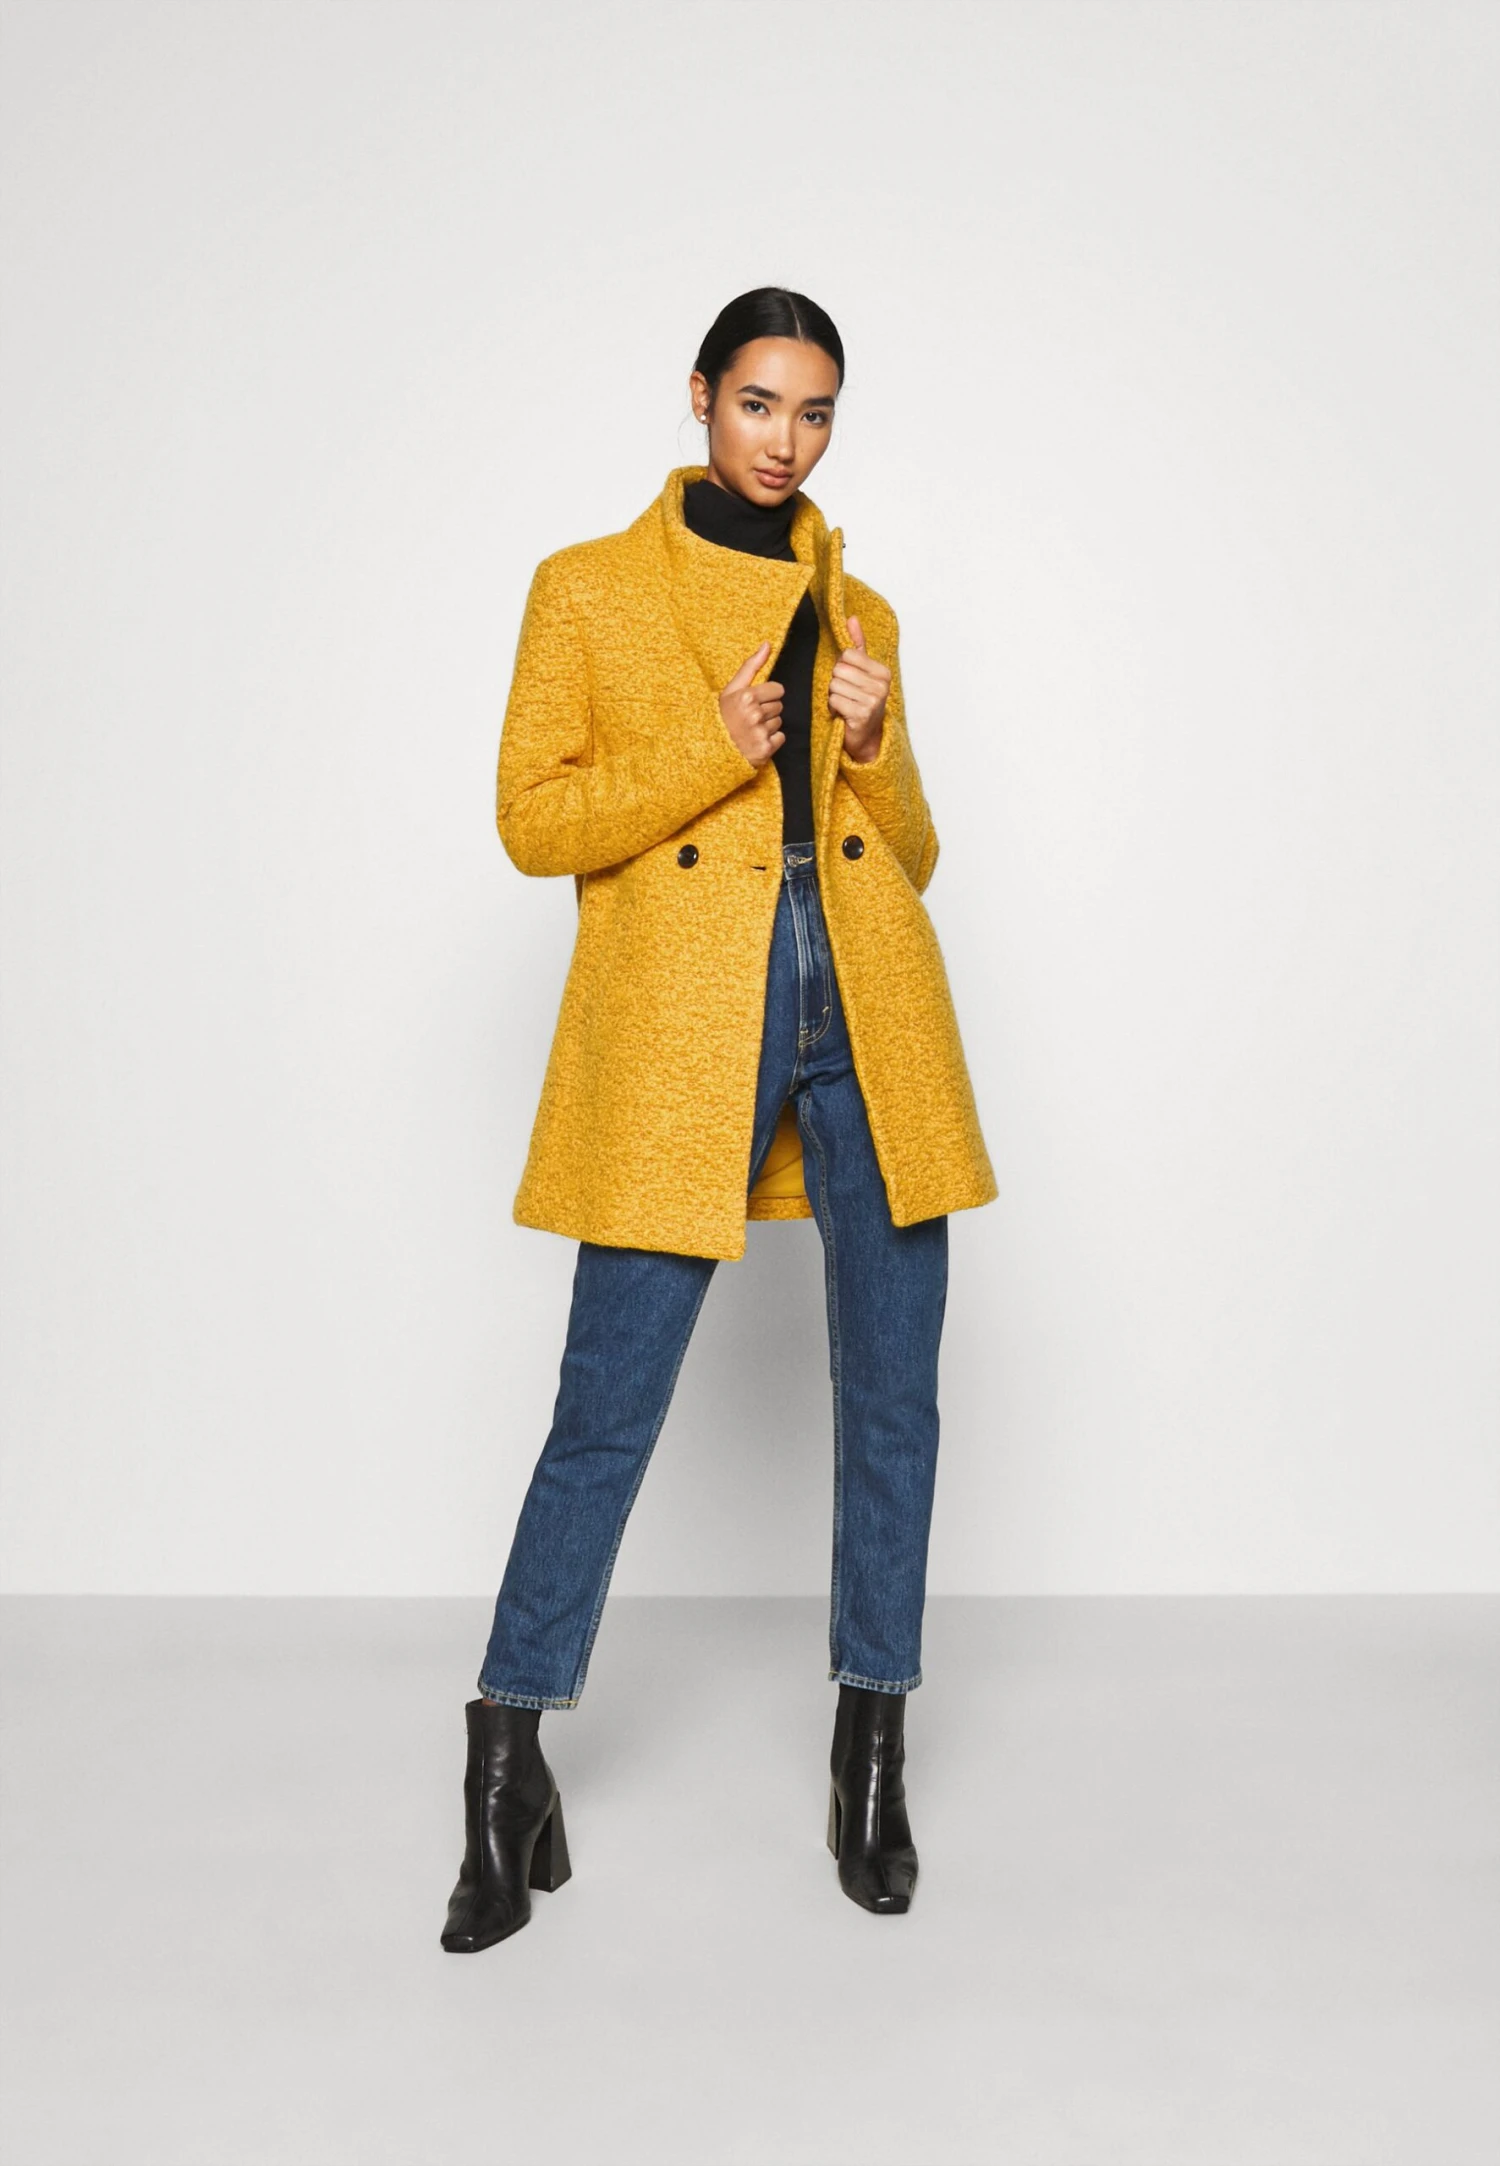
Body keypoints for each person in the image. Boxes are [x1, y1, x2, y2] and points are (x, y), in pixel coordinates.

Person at [441, 288, 996, 1954]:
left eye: (816, 412)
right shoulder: (589, 588)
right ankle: (505, 1755)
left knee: (894, 1397)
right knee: (608, 1398)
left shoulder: (861, 604)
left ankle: (869, 1750)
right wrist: (712, 743)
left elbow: (914, 851)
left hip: (866, 1004)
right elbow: (531, 819)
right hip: (697, 1017)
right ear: (699, 397)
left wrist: (871, 743)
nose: (786, 440)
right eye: (760, 402)